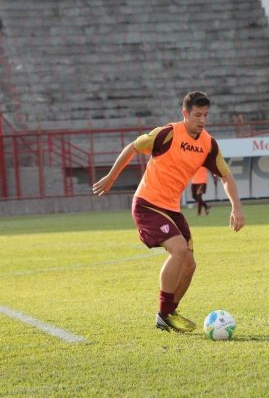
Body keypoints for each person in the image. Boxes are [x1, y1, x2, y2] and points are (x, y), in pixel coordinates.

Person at [92, 91, 245, 332]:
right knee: (179, 250)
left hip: (172, 209)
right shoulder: (168, 133)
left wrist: (236, 207)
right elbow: (132, 147)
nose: (202, 120)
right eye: (197, 115)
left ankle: (170, 312)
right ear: (185, 114)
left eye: (205, 115)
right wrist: (111, 177)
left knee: (189, 264)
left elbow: (226, 176)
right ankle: (163, 313)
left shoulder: (207, 144)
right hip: (147, 204)